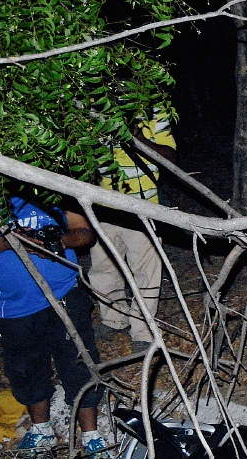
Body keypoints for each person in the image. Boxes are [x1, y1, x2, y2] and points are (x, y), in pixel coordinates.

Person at [0, 189, 108, 456]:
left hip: (64, 294)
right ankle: (42, 430)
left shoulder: (48, 177)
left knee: (79, 362)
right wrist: (9, 241)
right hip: (11, 305)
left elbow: (84, 232)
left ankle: (92, 436)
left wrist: (57, 242)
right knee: (26, 369)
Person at [88, 110, 176, 355]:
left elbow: (170, 158)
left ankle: (143, 332)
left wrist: (136, 137)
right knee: (102, 269)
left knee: (146, 273)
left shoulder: (155, 113)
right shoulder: (92, 111)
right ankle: (113, 319)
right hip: (101, 205)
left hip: (143, 207)